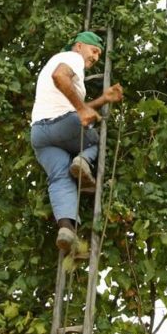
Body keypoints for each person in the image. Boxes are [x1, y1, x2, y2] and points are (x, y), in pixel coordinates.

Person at [31, 31, 123, 254]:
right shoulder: (72, 58)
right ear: (79, 46)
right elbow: (59, 77)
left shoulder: (64, 64)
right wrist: (82, 110)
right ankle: (82, 161)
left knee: (60, 176)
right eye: (94, 51)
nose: (96, 57)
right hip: (61, 124)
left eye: (100, 54)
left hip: (40, 135)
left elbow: (71, 107)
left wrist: (103, 99)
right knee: (96, 141)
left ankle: (65, 228)